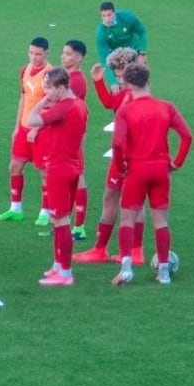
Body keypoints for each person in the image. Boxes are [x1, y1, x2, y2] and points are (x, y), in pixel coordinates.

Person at [110, 64, 193, 286]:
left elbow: (117, 144)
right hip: (160, 170)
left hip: (137, 169)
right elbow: (187, 137)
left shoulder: (125, 111)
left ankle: (126, 268)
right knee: (161, 221)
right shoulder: (166, 107)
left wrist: (120, 167)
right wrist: (176, 162)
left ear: (127, 85)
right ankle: (164, 271)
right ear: (148, 81)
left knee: (127, 218)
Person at [74, 48, 144, 265]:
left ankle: (135, 251)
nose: (121, 80)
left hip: (133, 158)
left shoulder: (139, 98)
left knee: (135, 203)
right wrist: (98, 81)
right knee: (110, 196)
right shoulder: (125, 93)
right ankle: (101, 249)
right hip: (120, 157)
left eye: (124, 75)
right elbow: (109, 103)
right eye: (118, 76)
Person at [27, 68, 89, 286]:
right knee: (59, 219)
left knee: (60, 220)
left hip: (59, 168)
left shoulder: (64, 107)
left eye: (49, 88)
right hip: (72, 165)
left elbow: (31, 120)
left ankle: (65, 273)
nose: (46, 92)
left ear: (62, 87)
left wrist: (42, 101)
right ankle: (58, 265)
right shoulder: (80, 105)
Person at [0, 37, 52, 226]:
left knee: (44, 172)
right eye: (31, 53)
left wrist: (36, 128)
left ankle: (45, 212)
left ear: (46, 54)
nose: (34, 57)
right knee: (15, 166)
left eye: (38, 54)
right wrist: (17, 126)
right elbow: (23, 98)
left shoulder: (51, 74)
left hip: (41, 130)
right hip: (24, 127)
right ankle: (16, 208)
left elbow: (51, 105)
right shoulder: (24, 70)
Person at [60, 39, 89, 239]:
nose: (63, 56)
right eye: (63, 52)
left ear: (78, 58)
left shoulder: (76, 80)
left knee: (78, 177)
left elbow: (68, 107)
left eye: (68, 54)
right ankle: (68, 224)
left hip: (73, 135)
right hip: (65, 134)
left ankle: (79, 227)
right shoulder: (67, 76)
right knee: (70, 179)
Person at [96, 1, 148, 80]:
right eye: (103, 16)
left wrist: (142, 53)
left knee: (141, 80)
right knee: (120, 84)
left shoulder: (127, 17)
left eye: (109, 15)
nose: (107, 19)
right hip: (116, 58)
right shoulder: (101, 32)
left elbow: (142, 32)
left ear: (115, 12)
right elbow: (103, 58)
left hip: (134, 52)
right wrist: (113, 82)